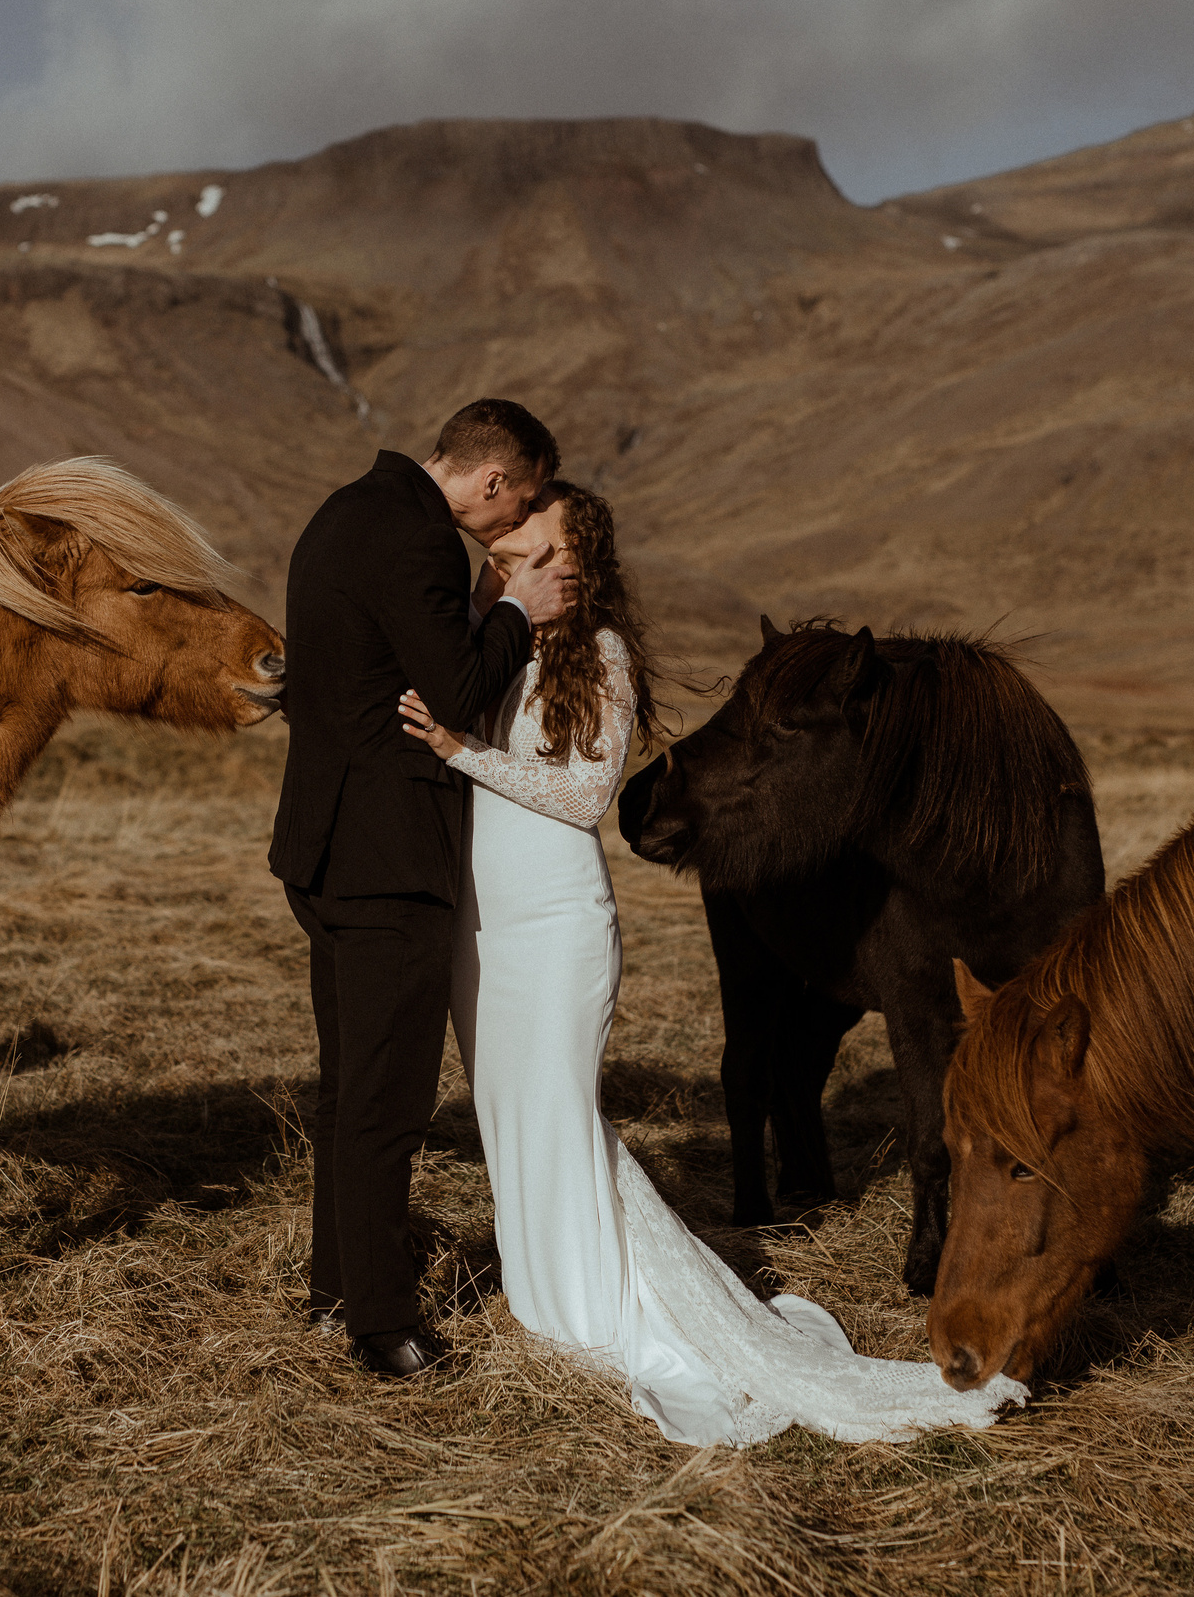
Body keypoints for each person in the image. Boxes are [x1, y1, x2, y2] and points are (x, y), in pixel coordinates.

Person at [397, 482, 1026, 1443]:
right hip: (486, 919)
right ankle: (546, 1299)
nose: (511, 532)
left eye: (536, 526)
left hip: (556, 920)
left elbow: (582, 797)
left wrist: (457, 750)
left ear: (574, 555)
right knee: (508, 1114)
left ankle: (590, 1318)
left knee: (558, 1111)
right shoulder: (495, 634)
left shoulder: (599, 653)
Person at [269, 399, 577, 1378]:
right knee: (386, 1101)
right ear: (493, 481)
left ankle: (334, 1293)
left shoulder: (344, 511)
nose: (514, 522)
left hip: (323, 847)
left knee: (348, 1090)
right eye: (518, 501)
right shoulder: (413, 540)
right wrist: (525, 613)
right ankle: (382, 1326)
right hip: (384, 861)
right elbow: (455, 692)